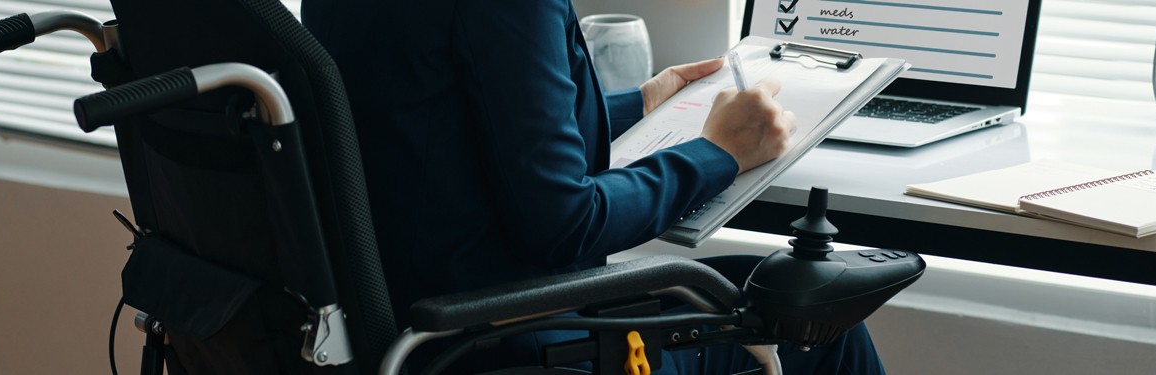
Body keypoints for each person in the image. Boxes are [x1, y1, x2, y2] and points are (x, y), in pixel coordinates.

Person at [302, 0, 884, 373]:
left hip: (408, 323)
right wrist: (720, 153)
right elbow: (564, 225)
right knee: (822, 322)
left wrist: (641, 105)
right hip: (512, 341)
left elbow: (445, 136)